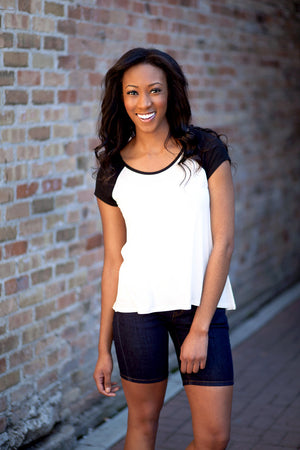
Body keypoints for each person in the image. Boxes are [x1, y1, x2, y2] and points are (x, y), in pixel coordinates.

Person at [93, 47, 236, 450]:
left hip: (199, 308)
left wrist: (201, 327)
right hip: (136, 312)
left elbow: (223, 243)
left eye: (154, 90)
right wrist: (103, 349)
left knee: (213, 438)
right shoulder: (112, 170)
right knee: (142, 423)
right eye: (132, 92)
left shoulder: (205, 152)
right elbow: (112, 263)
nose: (144, 103)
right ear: (121, 99)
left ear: (170, 92)